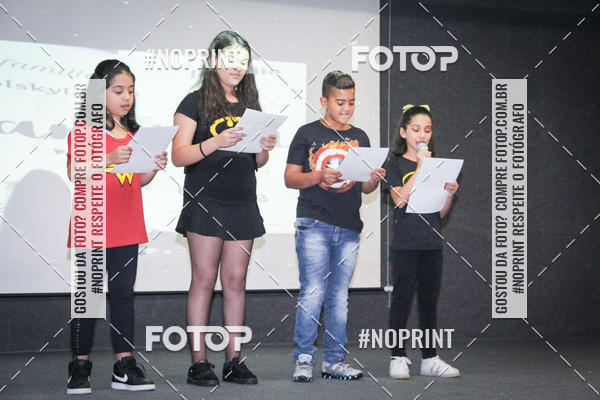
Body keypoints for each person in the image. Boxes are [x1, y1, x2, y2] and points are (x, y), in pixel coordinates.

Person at [171, 30, 276, 386]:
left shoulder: (250, 106)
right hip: (206, 201)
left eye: (243, 61)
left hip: (242, 201)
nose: (237, 67)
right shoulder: (193, 102)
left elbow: (257, 161)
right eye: (230, 59)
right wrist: (217, 140)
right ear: (215, 60)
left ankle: (234, 360)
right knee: (203, 279)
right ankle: (198, 362)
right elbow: (179, 155)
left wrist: (264, 147)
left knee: (235, 281)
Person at [66, 59, 167, 394]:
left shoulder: (135, 134)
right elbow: (75, 172)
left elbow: (136, 181)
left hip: (128, 226)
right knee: (89, 299)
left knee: (123, 296)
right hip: (92, 226)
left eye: (131, 91)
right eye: (119, 90)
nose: (127, 97)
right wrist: (108, 158)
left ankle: (124, 366)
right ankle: (79, 367)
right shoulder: (83, 132)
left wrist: (152, 168)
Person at [285, 71, 385, 382]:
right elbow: (290, 178)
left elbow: (365, 188)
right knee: (313, 291)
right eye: (340, 102)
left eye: (351, 102)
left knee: (339, 296)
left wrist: (374, 179)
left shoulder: (361, 137)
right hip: (313, 222)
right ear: (324, 101)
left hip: (349, 226)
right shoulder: (306, 133)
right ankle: (304, 359)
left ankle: (334, 360)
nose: (346, 108)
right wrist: (318, 175)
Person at [383, 104, 460, 379]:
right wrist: (420, 167)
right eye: (416, 129)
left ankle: (430, 358)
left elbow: (440, 213)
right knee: (401, 300)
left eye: (427, 130)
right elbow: (399, 200)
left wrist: (449, 194)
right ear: (403, 132)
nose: (422, 135)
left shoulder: (438, 165)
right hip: (405, 243)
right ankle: (397, 356)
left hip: (431, 243)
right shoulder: (393, 164)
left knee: (428, 301)